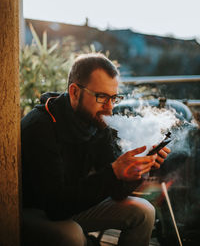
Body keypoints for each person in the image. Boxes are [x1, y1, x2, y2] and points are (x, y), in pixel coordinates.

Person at [21, 53, 170, 246]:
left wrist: (139, 169)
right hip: (33, 211)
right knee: (72, 235)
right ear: (74, 92)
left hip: (72, 204)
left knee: (144, 212)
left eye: (114, 98)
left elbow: (116, 192)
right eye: (102, 97)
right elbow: (54, 205)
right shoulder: (40, 126)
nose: (109, 108)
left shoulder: (96, 122)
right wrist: (114, 171)